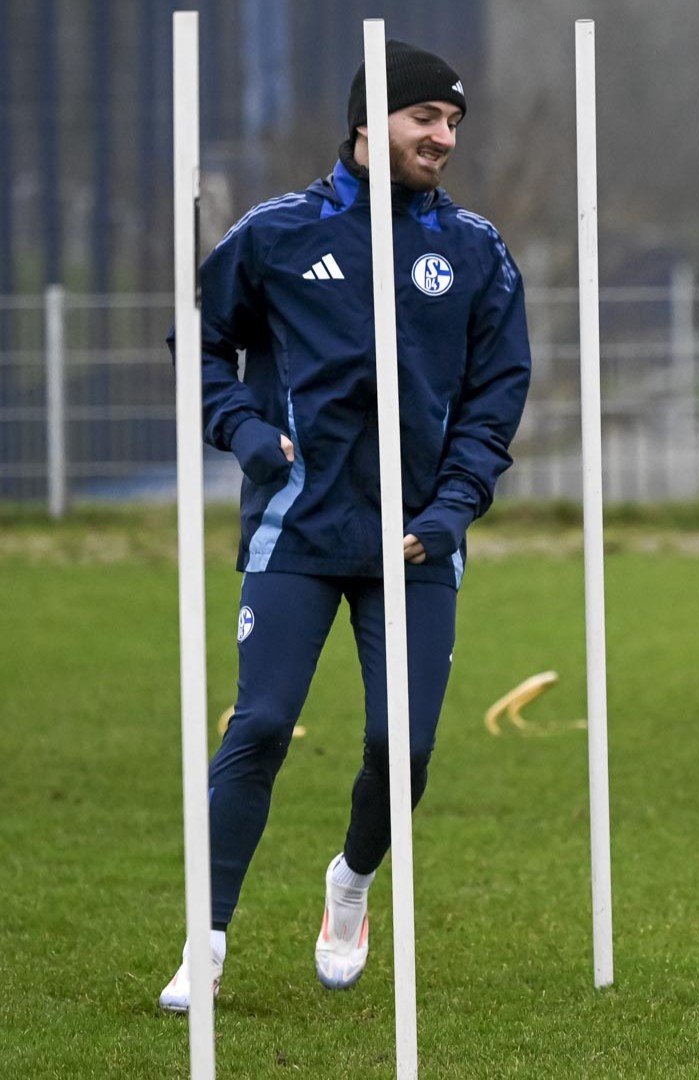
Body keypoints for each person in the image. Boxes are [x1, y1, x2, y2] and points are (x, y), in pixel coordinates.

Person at [159, 42, 531, 1011]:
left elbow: (498, 396)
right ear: (371, 123)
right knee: (263, 724)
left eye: (454, 124)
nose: (444, 138)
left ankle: (351, 885)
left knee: (399, 751)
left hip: (417, 543)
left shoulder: (475, 250)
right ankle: (206, 939)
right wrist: (243, 431)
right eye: (426, 121)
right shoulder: (276, 234)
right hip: (299, 526)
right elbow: (196, 335)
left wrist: (452, 509)